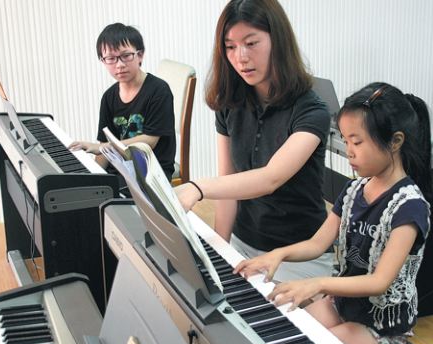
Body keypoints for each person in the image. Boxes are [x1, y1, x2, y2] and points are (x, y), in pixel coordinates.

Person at [234, 82, 432, 344]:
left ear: (395, 141)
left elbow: (379, 282)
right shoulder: (354, 191)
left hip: (380, 324)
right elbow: (317, 243)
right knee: (287, 331)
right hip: (344, 303)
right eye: (345, 140)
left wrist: (318, 284)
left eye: (357, 141)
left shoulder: (409, 207)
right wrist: (277, 254)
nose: (348, 150)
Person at [175, 0, 333, 282]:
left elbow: (270, 178)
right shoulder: (230, 103)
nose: (241, 57)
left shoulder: (312, 110)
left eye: (251, 43)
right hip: (243, 244)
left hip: (296, 254)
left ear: (278, 41)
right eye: (231, 46)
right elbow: (229, 184)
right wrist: (221, 252)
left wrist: (198, 187)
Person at [69, 22, 176, 185]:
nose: (119, 64)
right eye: (111, 58)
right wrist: (95, 177)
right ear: (103, 61)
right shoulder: (109, 97)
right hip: (120, 172)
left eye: (126, 56)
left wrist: (103, 147)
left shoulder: (159, 90)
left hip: (151, 175)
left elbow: (149, 141)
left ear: (140, 55)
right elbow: (103, 148)